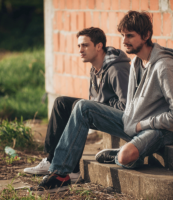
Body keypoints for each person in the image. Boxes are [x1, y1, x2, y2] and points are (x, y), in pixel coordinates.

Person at [30, 10, 173, 193]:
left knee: (126, 158)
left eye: (130, 35)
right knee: (83, 107)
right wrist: (131, 122)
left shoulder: (165, 66)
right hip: (135, 123)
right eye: (123, 35)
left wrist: (141, 125)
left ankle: (119, 154)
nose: (124, 41)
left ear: (146, 36)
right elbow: (130, 106)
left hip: (160, 131)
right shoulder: (137, 62)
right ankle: (60, 174)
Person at [23, 27, 130, 182]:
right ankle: (51, 159)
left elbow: (127, 107)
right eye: (79, 46)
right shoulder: (95, 68)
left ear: (99, 46)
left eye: (85, 45)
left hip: (123, 122)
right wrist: (98, 104)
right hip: (101, 114)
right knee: (61, 103)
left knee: (80, 106)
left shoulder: (117, 68)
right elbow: (95, 99)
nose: (80, 50)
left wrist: (100, 105)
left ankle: (69, 169)